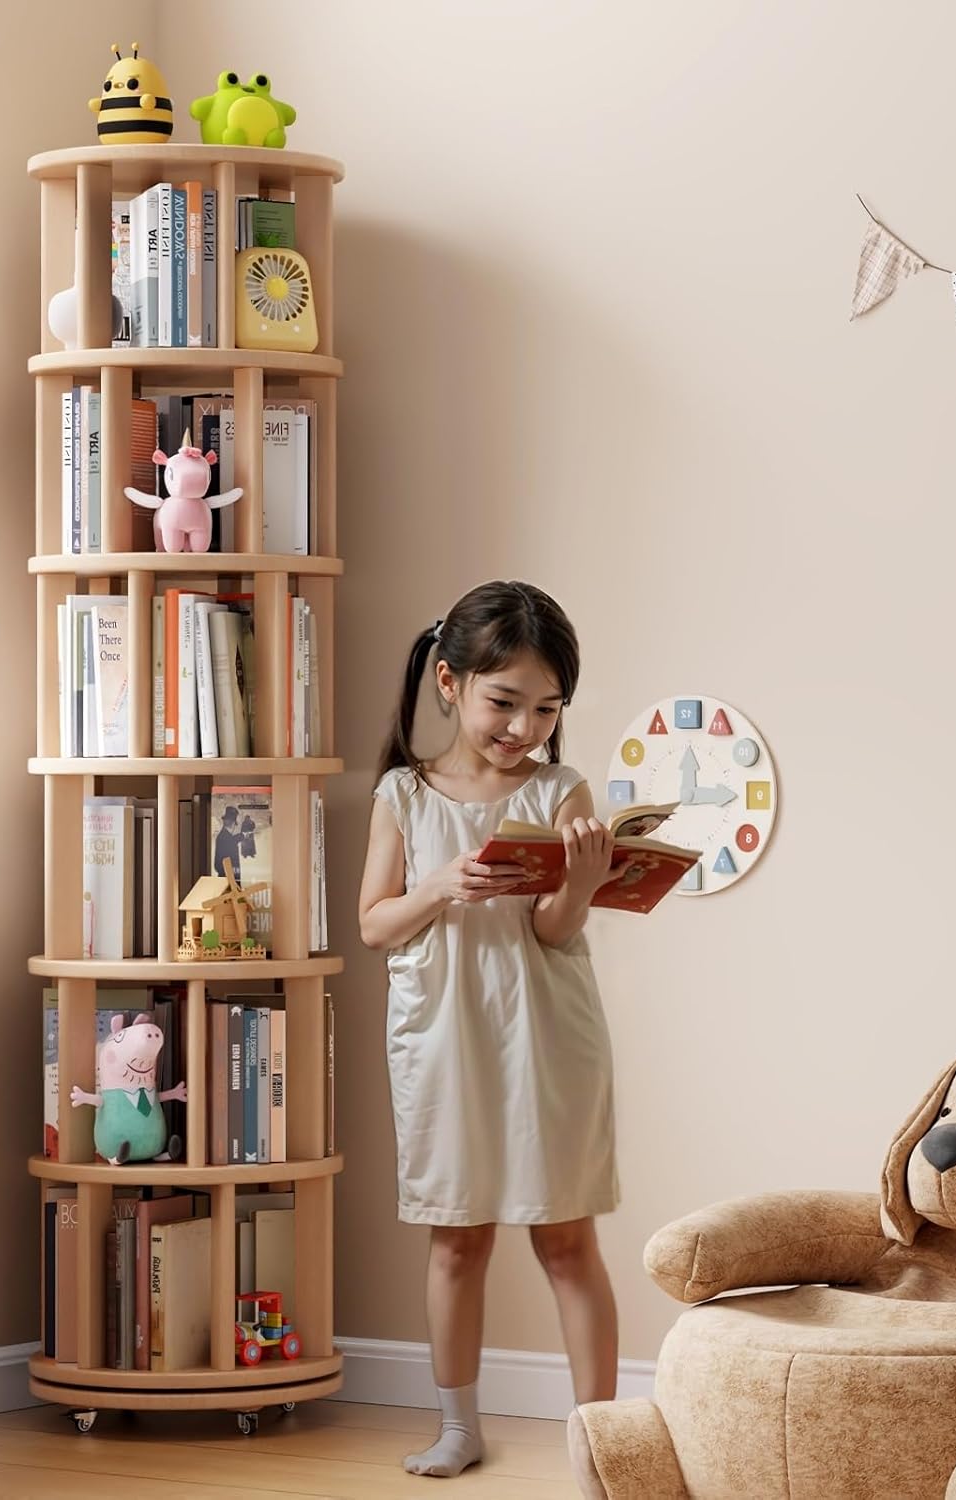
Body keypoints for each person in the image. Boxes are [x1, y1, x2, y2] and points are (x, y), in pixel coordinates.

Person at [357, 579, 621, 1478]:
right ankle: (459, 1427)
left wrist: (579, 883)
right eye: (505, 702)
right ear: (449, 681)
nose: (524, 728)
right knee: (458, 1234)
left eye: (547, 709)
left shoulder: (561, 789)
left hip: (543, 1031)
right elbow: (372, 924)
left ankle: (600, 1441)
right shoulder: (404, 792)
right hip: (442, 1033)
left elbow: (554, 930)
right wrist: (439, 887)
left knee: (566, 1237)